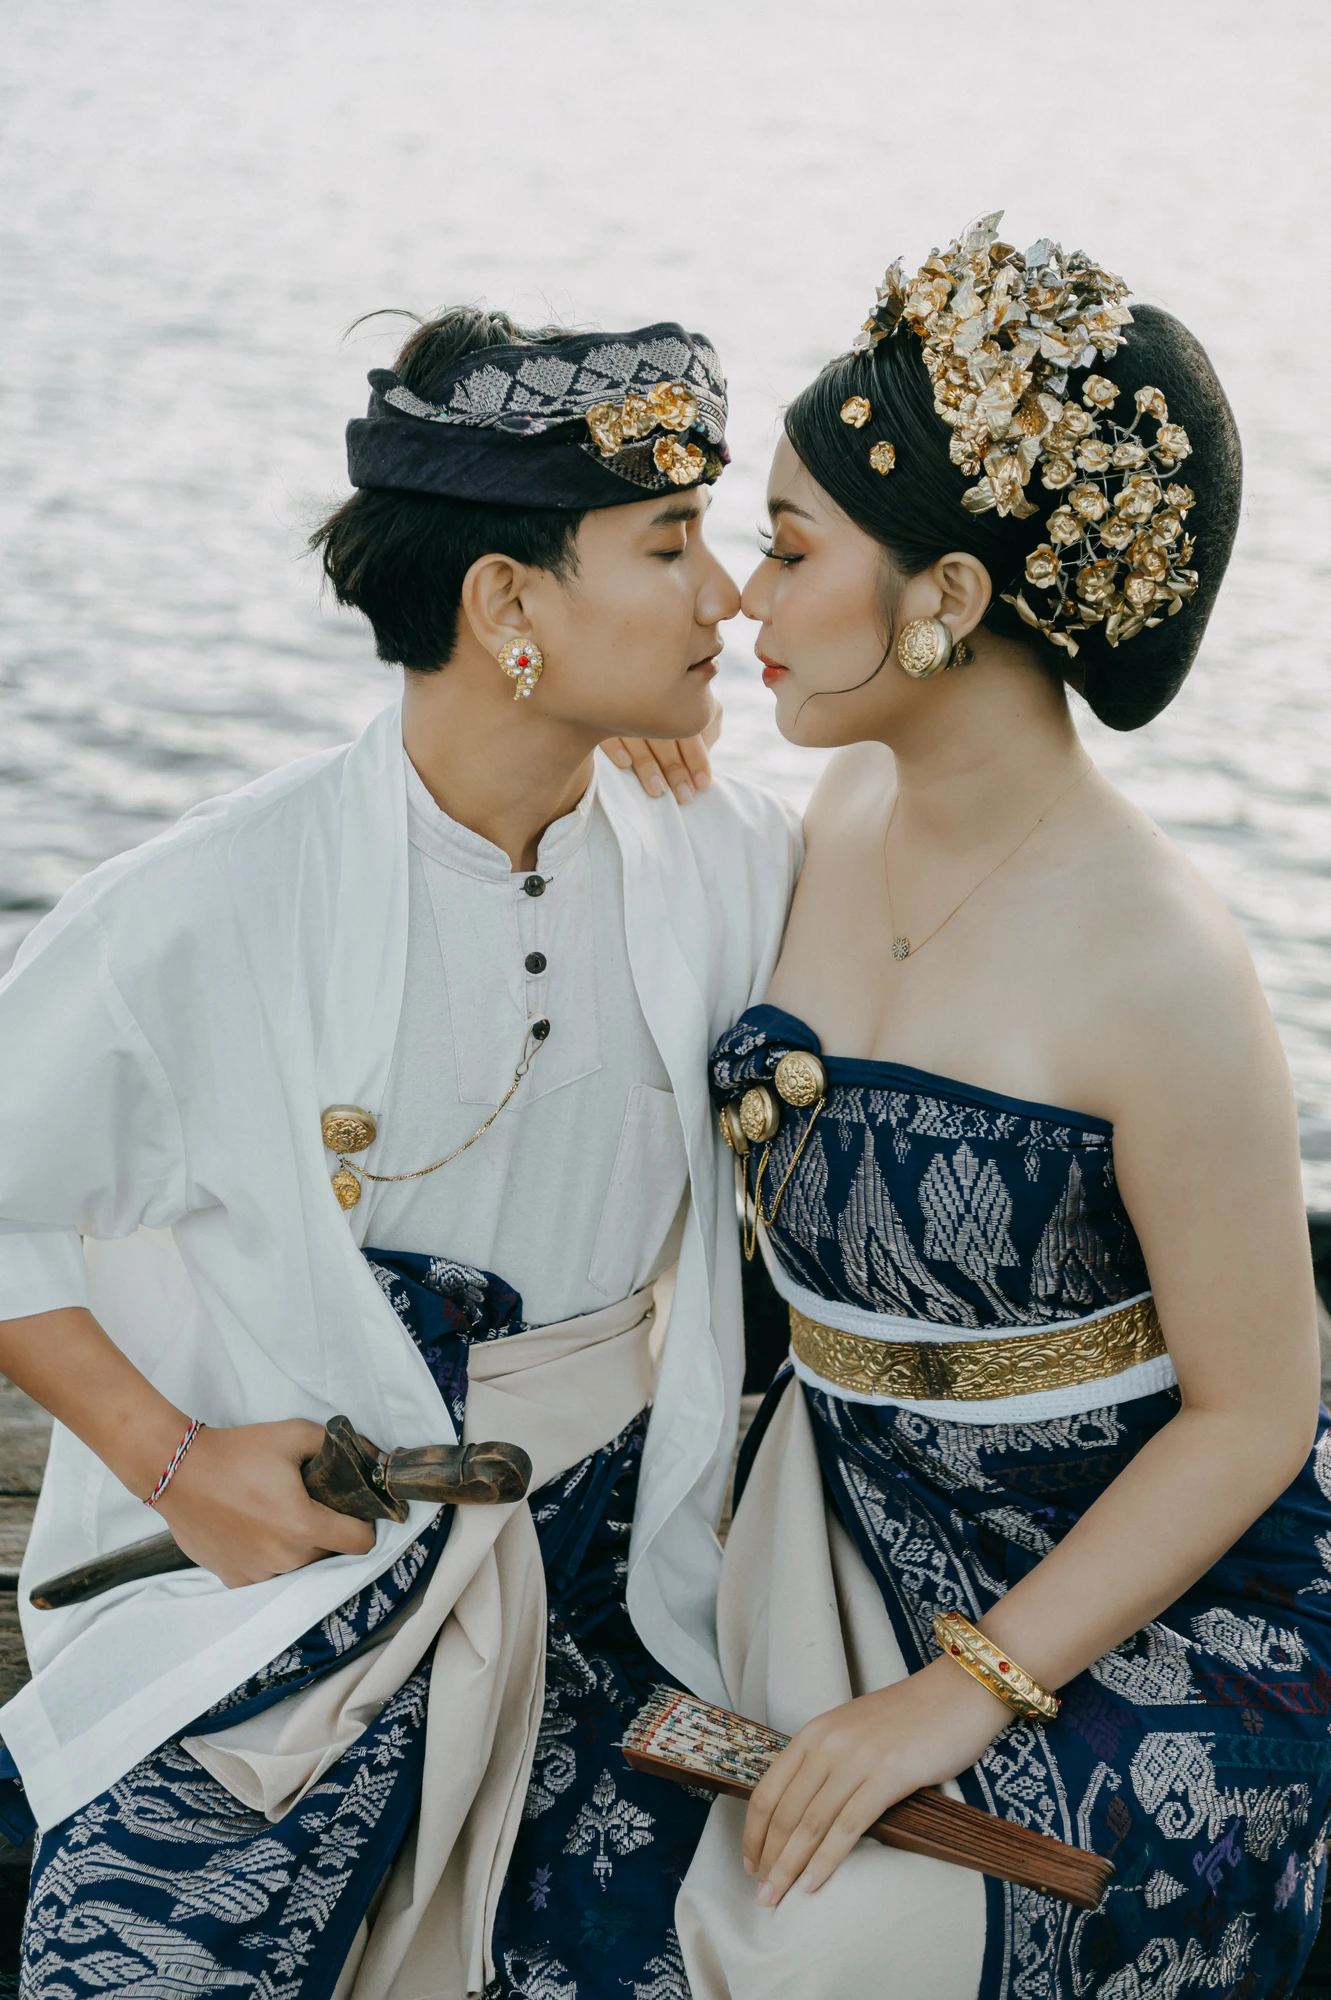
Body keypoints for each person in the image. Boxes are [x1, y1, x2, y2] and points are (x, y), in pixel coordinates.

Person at [0, 305, 800, 1999]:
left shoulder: (731, 861)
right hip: (281, 1583)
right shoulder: (208, 901)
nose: (727, 596)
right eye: (670, 544)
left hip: (610, 1590)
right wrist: (170, 1459)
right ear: (506, 604)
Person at [677, 213, 1331, 1999]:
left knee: (826, 1948)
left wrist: (956, 1698)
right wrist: (628, 747)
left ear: (947, 598)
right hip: (827, 1509)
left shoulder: (1160, 963)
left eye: (787, 548)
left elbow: (1256, 1411)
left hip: (1130, 1592)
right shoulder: (819, 819)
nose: (740, 599)